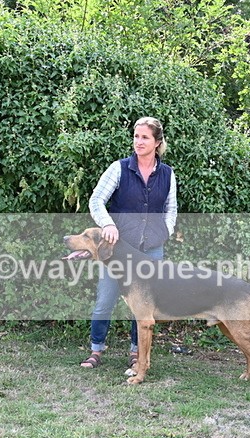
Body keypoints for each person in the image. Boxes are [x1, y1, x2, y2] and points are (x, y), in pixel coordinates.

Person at [80, 117, 177, 369]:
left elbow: (171, 208)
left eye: (145, 137)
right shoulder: (119, 168)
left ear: (157, 142)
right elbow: (96, 200)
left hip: (152, 248)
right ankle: (96, 350)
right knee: (106, 299)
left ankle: (137, 353)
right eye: (136, 136)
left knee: (144, 304)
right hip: (117, 250)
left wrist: (166, 230)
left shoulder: (167, 173)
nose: (138, 142)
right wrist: (107, 224)